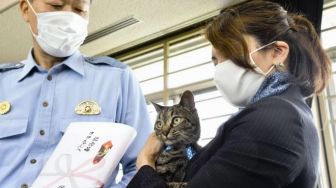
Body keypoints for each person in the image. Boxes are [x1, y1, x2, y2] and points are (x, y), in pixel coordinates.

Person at [127, 1, 331, 188]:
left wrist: (145, 165)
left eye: (229, 51)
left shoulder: (277, 119)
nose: (221, 68)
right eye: (215, 61)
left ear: (277, 52)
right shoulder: (284, 111)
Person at [0, 0, 152, 187]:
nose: (68, 16)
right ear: (25, 9)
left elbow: (143, 165)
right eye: (55, 5)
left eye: (79, 10)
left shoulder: (116, 79)